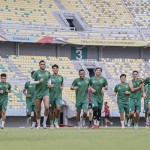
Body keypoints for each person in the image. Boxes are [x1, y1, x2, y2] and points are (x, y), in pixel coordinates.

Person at [31, 60, 51, 129]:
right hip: (38, 93)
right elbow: (31, 82)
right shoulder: (36, 73)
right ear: (39, 65)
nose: (43, 65)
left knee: (47, 107)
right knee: (38, 109)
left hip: (46, 92)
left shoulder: (48, 73)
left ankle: (44, 122)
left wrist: (49, 84)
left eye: (44, 64)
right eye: (42, 64)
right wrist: (38, 81)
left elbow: (49, 80)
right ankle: (38, 124)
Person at [48, 64, 63, 129]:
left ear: (58, 69)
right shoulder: (50, 77)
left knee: (58, 108)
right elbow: (47, 85)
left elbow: (62, 84)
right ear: (52, 69)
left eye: (56, 68)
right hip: (51, 96)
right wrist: (49, 86)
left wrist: (62, 87)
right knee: (51, 110)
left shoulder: (61, 77)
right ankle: (51, 123)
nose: (55, 69)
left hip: (58, 96)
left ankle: (56, 121)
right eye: (54, 68)